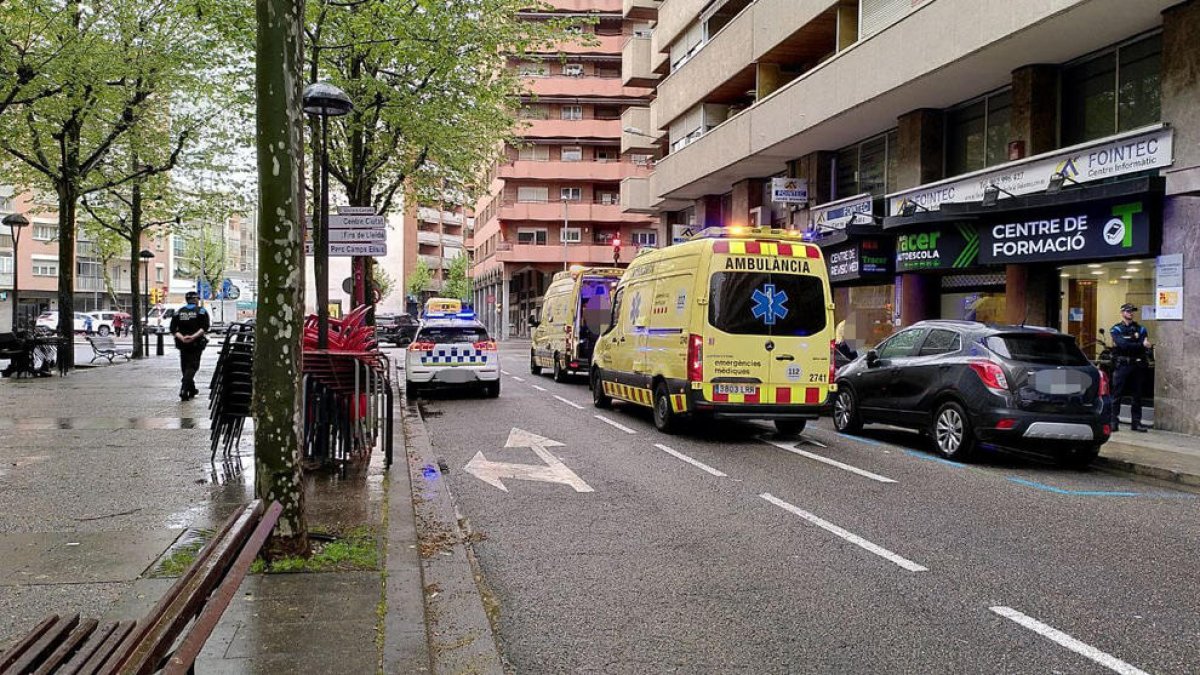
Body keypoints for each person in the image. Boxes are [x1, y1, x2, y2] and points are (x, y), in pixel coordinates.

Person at [1110, 302, 1151, 432]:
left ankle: (1136, 422)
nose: (1131, 313)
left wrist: (1133, 344)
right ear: (1122, 313)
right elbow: (1123, 345)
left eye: (1132, 311)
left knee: (1137, 395)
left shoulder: (1141, 329)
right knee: (1117, 394)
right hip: (1122, 365)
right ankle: (1113, 421)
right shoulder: (1116, 329)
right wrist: (1140, 344)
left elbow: (1144, 346)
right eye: (1128, 311)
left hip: (1137, 365)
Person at [170, 291, 210, 401]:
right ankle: (184, 389)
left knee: (185, 366)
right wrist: (193, 337)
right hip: (196, 343)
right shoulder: (201, 311)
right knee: (193, 366)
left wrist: (182, 338)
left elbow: (173, 329)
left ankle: (191, 389)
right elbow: (204, 328)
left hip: (182, 344)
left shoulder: (179, 312)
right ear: (196, 299)